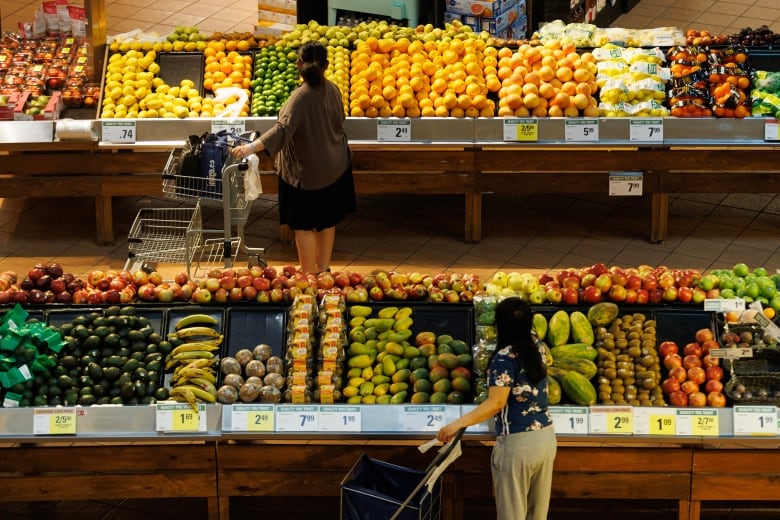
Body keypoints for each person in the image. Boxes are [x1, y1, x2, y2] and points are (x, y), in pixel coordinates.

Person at [232, 41, 355, 274]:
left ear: (299, 64)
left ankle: (307, 275)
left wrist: (250, 148)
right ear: (327, 65)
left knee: (304, 226)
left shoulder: (299, 97)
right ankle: (323, 269)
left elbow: (282, 130)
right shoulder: (334, 89)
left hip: (306, 173)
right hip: (335, 165)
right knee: (327, 221)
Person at [437, 297, 556, 520]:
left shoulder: (504, 357)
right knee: (537, 515)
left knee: (512, 514)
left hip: (518, 445)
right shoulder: (537, 345)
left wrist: (457, 424)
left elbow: (496, 402)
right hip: (546, 439)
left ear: (499, 326)